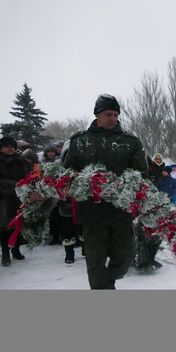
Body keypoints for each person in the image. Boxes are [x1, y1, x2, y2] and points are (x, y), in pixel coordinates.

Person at [64, 94, 147, 289]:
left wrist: (123, 186)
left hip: (121, 211)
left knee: (126, 256)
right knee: (95, 261)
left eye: (116, 115)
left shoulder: (130, 142)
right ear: (97, 114)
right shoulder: (80, 141)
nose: (113, 118)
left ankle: (110, 279)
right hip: (92, 214)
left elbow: (141, 173)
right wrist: (77, 183)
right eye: (109, 114)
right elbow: (66, 173)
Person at [0, 137, 32, 266]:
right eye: (6, 146)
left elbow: (29, 175)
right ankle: (5, 253)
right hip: (3, 199)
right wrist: (15, 184)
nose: (10, 148)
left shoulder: (21, 160)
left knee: (18, 224)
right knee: (4, 227)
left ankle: (16, 250)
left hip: (20, 197)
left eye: (12, 146)